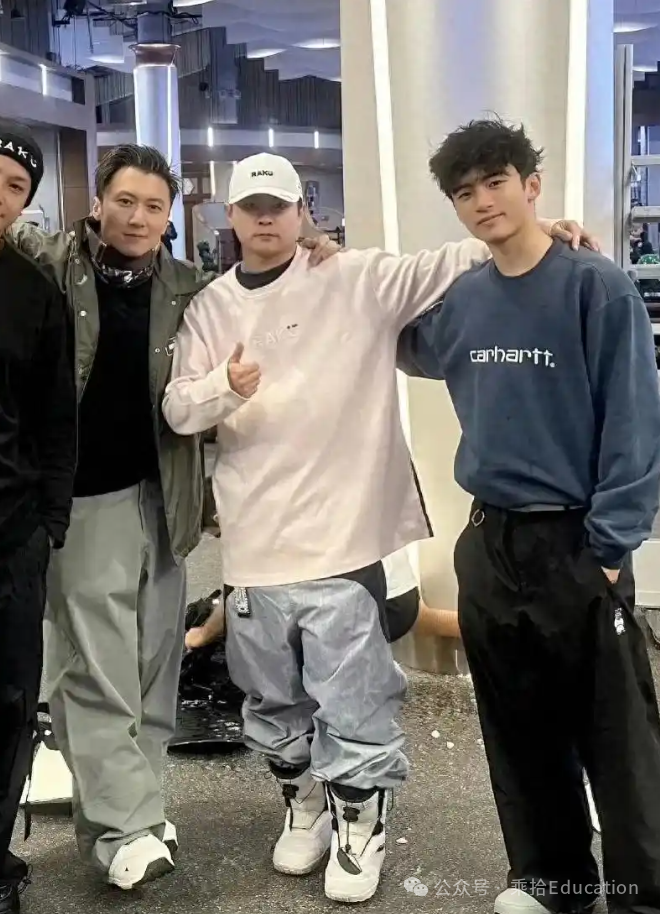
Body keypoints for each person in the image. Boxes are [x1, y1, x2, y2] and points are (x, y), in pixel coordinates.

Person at [162, 151, 592, 904]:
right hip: (255, 542)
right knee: (271, 699)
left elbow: (445, 262)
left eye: (279, 207)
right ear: (231, 217)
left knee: (353, 696)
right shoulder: (209, 307)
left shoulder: (353, 277)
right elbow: (177, 408)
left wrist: (539, 229)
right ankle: (303, 802)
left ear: (302, 213)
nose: (266, 219)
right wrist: (223, 387)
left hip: (345, 536)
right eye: (252, 208)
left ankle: (361, 821)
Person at [6, 144, 340, 892]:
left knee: (156, 668)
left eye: (154, 206)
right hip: (80, 502)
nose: (137, 217)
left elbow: (268, 289)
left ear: (170, 218)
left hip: (164, 498)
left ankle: (140, 811)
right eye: (124, 201)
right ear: (97, 203)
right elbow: (4, 227)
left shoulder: (188, 287)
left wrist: (315, 241)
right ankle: (121, 827)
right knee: (95, 669)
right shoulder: (52, 265)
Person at [397, 118, 660, 914]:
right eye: (464, 193)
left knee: (616, 735)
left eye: (496, 182)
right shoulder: (465, 301)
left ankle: (643, 894)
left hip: (577, 539)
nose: (482, 202)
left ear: (532, 184)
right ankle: (552, 880)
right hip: (490, 540)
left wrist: (609, 547)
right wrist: (332, 272)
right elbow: (394, 336)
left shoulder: (595, 287)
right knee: (517, 724)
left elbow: (635, 423)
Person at [0, 118, 76, 914]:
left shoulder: (33, 292)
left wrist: (49, 524)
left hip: (8, 533)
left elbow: (53, 420)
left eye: (15, 187)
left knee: (5, 704)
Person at [185, 546, 461, 650]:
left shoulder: (253, 524)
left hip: (369, 604)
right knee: (423, 620)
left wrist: (202, 634)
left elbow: (239, 595)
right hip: (400, 596)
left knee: (257, 612)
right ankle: (489, 633)